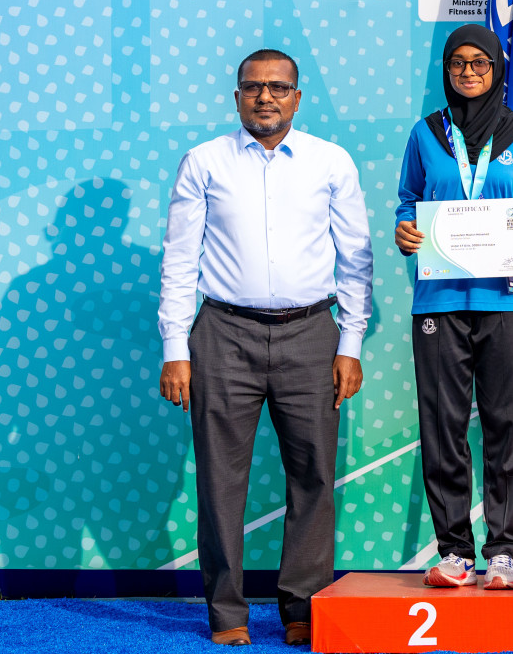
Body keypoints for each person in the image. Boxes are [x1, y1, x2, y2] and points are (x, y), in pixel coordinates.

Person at [157, 48, 372, 647]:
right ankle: (226, 610)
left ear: (298, 97)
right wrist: (176, 346)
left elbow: (357, 258)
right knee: (221, 480)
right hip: (222, 333)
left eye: (278, 87)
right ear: (237, 96)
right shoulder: (203, 162)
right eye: (253, 87)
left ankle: (301, 606)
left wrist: (350, 340)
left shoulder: (331, 162)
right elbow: (179, 259)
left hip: (312, 333)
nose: (265, 97)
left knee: (314, 477)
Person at [396, 25, 513, 590]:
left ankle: (504, 552)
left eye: (479, 63)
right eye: (457, 63)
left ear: (496, 70)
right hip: (438, 298)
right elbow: (406, 202)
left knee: (507, 425)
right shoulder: (425, 133)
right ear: (446, 70)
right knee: (442, 427)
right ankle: (455, 552)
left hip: (505, 298)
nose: (468, 72)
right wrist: (405, 232)